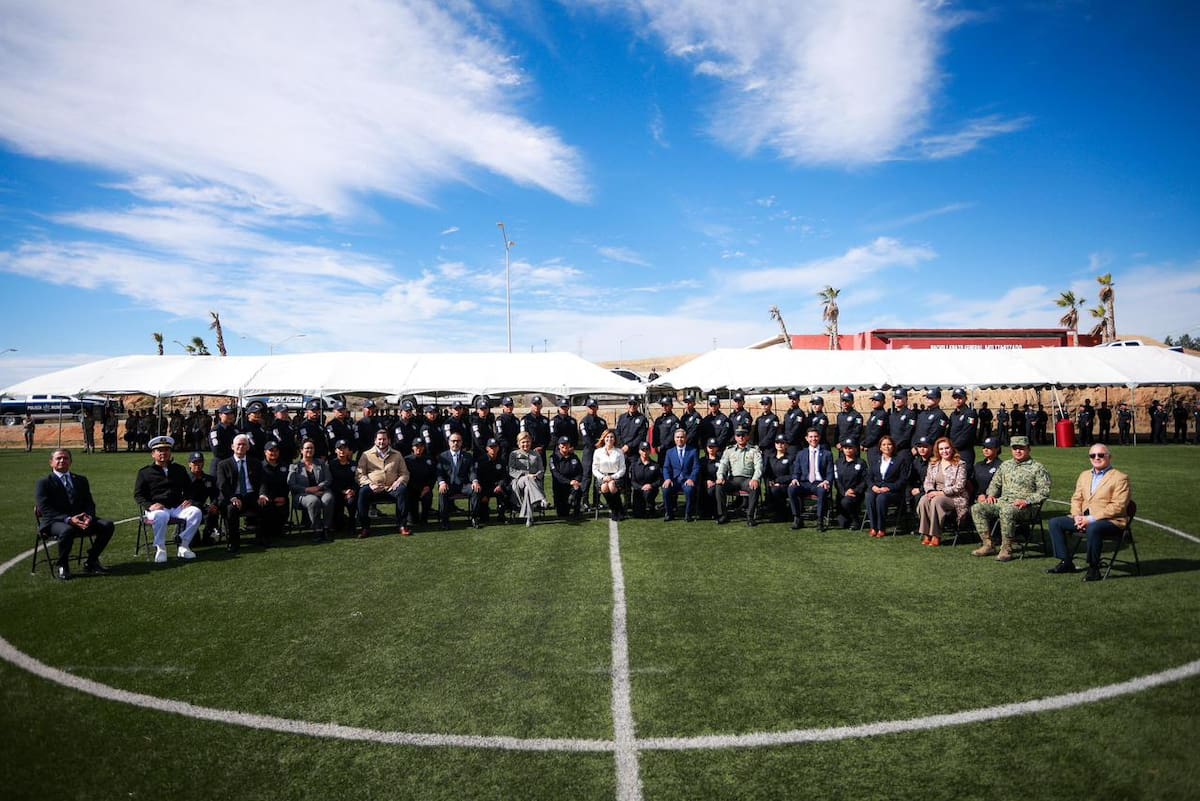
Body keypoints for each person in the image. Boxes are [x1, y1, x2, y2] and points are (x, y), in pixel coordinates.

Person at [1046, 444, 1131, 582]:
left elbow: (1118, 506)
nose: (1096, 458)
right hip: (1084, 519)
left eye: (1101, 455)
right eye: (1093, 455)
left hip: (1111, 521)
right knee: (1055, 522)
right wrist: (1077, 516)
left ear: (1109, 457)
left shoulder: (1121, 478)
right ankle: (1066, 562)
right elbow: (1076, 498)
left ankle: (1093, 568)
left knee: (1094, 527)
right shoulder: (1084, 475)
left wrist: (1090, 519)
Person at [35, 448, 116, 580]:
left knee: (107, 525)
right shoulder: (44, 483)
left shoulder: (81, 480)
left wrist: (89, 516)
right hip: (54, 522)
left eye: (65, 458)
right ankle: (63, 565)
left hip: (80, 520)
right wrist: (68, 519)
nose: (62, 461)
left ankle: (91, 561)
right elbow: (45, 509)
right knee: (67, 530)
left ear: (70, 462)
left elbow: (89, 502)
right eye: (58, 458)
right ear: (51, 462)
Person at [969, 435, 1052, 562]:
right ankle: (988, 544)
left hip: (1027, 507)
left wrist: (1027, 501)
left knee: (1007, 511)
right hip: (1004, 502)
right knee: (977, 508)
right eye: (1015, 448)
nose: (1018, 451)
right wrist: (991, 495)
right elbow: (995, 483)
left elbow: (1044, 491)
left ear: (1028, 449)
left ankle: (1006, 549)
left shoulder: (1038, 468)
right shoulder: (1006, 465)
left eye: (1021, 448)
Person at [134, 435, 204, 562]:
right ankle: (160, 548)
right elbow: (138, 495)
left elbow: (189, 488)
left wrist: (188, 499)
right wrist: (150, 506)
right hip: (157, 508)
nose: (163, 453)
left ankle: (183, 545)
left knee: (196, 512)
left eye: (166, 450)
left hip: (177, 507)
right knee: (161, 516)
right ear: (153, 454)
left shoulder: (179, 469)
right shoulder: (144, 472)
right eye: (159, 450)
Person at [356, 429, 411, 537]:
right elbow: (359, 475)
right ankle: (365, 527)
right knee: (363, 492)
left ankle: (402, 525)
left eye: (384, 439)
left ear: (389, 440)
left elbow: (405, 473)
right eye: (379, 439)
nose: (382, 442)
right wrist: (370, 484)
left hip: (391, 488)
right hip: (373, 489)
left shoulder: (397, 455)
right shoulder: (366, 455)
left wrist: (399, 481)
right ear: (375, 441)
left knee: (403, 490)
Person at [916, 437, 969, 547]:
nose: (944, 451)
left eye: (947, 448)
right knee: (923, 500)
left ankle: (936, 535)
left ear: (952, 448)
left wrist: (940, 493)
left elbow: (960, 486)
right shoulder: (934, 463)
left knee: (937, 501)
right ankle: (926, 533)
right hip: (935, 493)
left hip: (955, 497)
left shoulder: (960, 464)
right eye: (941, 449)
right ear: (937, 451)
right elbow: (928, 481)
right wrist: (930, 491)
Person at [215, 433, 264, 552]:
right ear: (232, 446)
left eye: (244, 445)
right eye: (238, 444)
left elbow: (263, 481)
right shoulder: (223, 464)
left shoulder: (256, 463)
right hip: (232, 496)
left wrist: (262, 495)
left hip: (250, 495)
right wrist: (232, 498)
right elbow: (222, 484)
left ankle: (262, 538)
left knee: (265, 505)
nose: (241, 447)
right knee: (231, 510)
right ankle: (233, 542)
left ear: (248, 447)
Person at [288, 439, 334, 543]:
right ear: (301, 450)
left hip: (321, 491)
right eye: (307, 448)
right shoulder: (294, 466)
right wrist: (307, 489)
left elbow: (328, 479)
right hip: (302, 495)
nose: (309, 450)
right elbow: (292, 484)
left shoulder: (321, 463)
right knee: (313, 501)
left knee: (328, 498)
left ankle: (326, 528)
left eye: (312, 448)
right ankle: (317, 529)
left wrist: (318, 487)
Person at [715, 427, 763, 526]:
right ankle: (723, 515)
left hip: (747, 480)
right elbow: (723, 465)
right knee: (719, 486)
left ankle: (750, 517)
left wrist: (755, 479)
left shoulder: (754, 450)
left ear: (747, 437)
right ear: (735, 437)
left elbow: (759, 466)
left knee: (755, 487)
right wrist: (720, 477)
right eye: (738, 435)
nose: (741, 437)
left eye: (743, 435)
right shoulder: (729, 450)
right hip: (733, 480)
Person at [788, 427, 833, 530]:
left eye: (816, 436)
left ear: (819, 437)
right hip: (804, 483)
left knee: (822, 490)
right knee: (791, 489)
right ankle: (797, 518)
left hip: (819, 483)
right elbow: (797, 471)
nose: (813, 439)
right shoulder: (801, 454)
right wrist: (795, 478)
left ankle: (820, 520)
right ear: (806, 438)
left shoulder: (827, 454)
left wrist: (826, 481)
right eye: (811, 437)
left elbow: (830, 472)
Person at [865, 435, 910, 538]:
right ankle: (873, 527)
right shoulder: (875, 460)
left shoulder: (900, 461)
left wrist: (889, 488)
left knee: (881, 498)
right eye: (884, 445)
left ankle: (881, 528)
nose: (887, 447)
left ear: (893, 446)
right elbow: (869, 477)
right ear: (880, 447)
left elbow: (903, 480)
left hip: (893, 491)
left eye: (889, 444)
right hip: (877, 488)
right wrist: (873, 487)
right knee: (869, 496)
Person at [437, 431, 479, 528]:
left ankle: (474, 518)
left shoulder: (468, 456)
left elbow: (472, 471)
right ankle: (444, 520)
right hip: (449, 485)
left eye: (458, 441)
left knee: (476, 490)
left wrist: (474, 481)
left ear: (461, 442)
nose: (455, 443)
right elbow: (439, 473)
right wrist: (442, 483)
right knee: (442, 491)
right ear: (449, 442)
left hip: (464, 485)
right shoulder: (443, 456)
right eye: (453, 441)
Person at [508, 430, 547, 527]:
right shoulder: (514, 454)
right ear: (518, 443)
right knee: (527, 479)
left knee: (527, 490)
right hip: (518, 482)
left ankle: (529, 518)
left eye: (528, 442)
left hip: (534, 482)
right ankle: (541, 499)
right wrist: (527, 475)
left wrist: (536, 476)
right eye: (523, 442)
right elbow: (511, 471)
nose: (526, 444)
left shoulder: (536, 454)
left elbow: (541, 470)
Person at [660, 427, 699, 522]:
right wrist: (667, 479)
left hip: (687, 480)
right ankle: (669, 514)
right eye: (677, 437)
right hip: (674, 480)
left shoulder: (693, 451)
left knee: (689, 490)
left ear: (686, 438)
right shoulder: (669, 452)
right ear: (674, 439)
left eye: (682, 437)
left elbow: (696, 467)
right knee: (665, 490)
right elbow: (666, 468)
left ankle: (688, 514)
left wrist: (691, 479)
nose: (679, 439)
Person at [257, 441, 290, 545]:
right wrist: (271, 498)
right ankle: (264, 535)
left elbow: (288, 484)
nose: (274, 453)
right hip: (266, 498)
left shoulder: (285, 466)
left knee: (277, 531)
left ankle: (279, 528)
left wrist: (283, 496)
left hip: (282, 498)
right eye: (271, 450)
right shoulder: (259, 466)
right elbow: (260, 485)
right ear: (265, 452)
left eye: (276, 450)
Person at [832, 438, 867, 529]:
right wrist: (844, 492)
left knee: (846, 502)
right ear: (842, 449)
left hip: (855, 495)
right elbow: (836, 480)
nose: (848, 450)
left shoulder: (861, 463)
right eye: (845, 448)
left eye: (850, 448)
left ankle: (856, 520)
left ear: (855, 449)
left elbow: (865, 481)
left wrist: (855, 490)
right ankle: (849, 515)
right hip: (841, 494)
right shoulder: (838, 462)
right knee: (843, 524)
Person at [185, 451, 220, 545]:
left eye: (200, 462)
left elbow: (215, 494)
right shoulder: (185, 479)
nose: (198, 465)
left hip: (204, 508)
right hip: (189, 509)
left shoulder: (209, 479)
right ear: (189, 464)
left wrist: (214, 504)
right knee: (194, 543)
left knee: (212, 511)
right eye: (195, 462)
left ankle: (208, 535)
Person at [578, 398, 608, 507]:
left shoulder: (602, 422)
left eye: (594, 407)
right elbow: (585, 438)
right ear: (587, 408)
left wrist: (601, 445)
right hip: (589, 452)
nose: (592, 409)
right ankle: (584, 501)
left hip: (600, 452)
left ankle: (597, 501)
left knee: (599, 476)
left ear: (597, 407)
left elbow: (606, 435)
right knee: (587, 476)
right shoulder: (583, 422)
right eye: (590, 407)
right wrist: (596, 444)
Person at [592, 430, 627, 521]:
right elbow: (594, 469)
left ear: (615, 439)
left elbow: (622, 469)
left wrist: (613, 477)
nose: (609, 439)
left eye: (611, 437)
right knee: (604, 487)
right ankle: (615, 509)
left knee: (611, 486)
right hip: (602, 476)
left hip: (616, 477)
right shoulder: (597, 452)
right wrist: (603, 477)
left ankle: (617, 509)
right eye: (607, 437)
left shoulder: (619, 452)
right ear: (604, 439)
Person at [475, 438, 510, 524]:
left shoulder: (501, 461)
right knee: (484, 517)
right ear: (487, 448)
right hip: (484, 486)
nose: (493, 449)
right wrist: (484, 493)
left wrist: (500, 485)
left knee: (505, 490)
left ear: (498, 448)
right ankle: (482, 515)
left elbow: (504, 476)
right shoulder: (481, 461)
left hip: (496, 486)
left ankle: (501, 515)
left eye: (495, 447)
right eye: (491, 447)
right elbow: (478, 477)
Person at [403, 438, 435, 528]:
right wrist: (417, 489)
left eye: (421, 446)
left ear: (424, 448)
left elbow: (433, 475)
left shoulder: (429, 459)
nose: (419, 448)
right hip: (411, 490)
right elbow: (405, 477)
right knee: (413, 520)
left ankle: (425, 518)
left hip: (425, 489)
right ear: (412, 448)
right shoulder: (407, 460)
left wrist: (428, 486)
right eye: (416, 446)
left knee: (428, 496)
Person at [763, 434, 796, 522]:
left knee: (775, 490)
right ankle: (777, 511)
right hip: (773, 484)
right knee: (772, 489)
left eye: (782, 443)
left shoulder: (791, 458)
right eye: (777, 442)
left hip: (787, 485)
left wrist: (778, 481)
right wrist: (770, 480)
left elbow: (793, 475)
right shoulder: (770, 458)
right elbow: (767, 472)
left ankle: (782, 514)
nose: (779, 445)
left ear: (787, 445)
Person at [550, 436, 584, 519]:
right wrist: (569, 482)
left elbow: (580, 471)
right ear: (558, 446)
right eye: (563, 444)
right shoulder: (553, 458)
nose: (565, 446)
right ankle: (568, 503)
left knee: (577, 489)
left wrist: (576, 481)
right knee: (562, 514)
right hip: (560, 486)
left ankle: (576, 509)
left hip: (572, 485)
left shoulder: (574, 457)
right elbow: (556, 475)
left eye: (567, 444)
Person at [328, 439, 359, 533]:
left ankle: (352, 523)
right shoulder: (331, 465)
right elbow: (331, 482)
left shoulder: (354, 464)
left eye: (344, 448)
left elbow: (358, 480)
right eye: (339, 448)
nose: (342, 451)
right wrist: (343, 491)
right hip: (337, 493)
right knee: (338, 526)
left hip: (351, 493)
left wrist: (352, 490)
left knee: (351, 501)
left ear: (348, 450)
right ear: (335, 450)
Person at [947, 388, 978, 473]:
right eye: (955, 398)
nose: (957, 400)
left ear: (965, 398)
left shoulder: (970, 414)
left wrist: (953, 447)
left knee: (964, 477)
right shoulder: (953, 415)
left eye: (960, 397)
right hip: (953, 451)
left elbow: (967, 434)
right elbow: (949, 432)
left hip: (964, 452)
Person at [628, 443, 662, 518]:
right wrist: (641, 487)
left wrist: (651, 485)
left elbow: (659, 480)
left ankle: (650, 507)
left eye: (647, 449)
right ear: (639, 451)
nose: (645, 452)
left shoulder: (655, 465)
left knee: (648, 494)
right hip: (638, 491)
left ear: (649, 451)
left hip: (651, 490)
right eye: (642, 450)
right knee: (638, 515)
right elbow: (633, 481)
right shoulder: (634, 465)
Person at [973, 437, 1003, 505]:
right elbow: (972, 484)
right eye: (984, 447)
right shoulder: (978, 465)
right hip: (976, 497)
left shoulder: (1001, 465)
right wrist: (978, 495)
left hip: (993, 499)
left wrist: (988, 496)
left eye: (989, 447)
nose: (986, 450)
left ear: (997, 449)